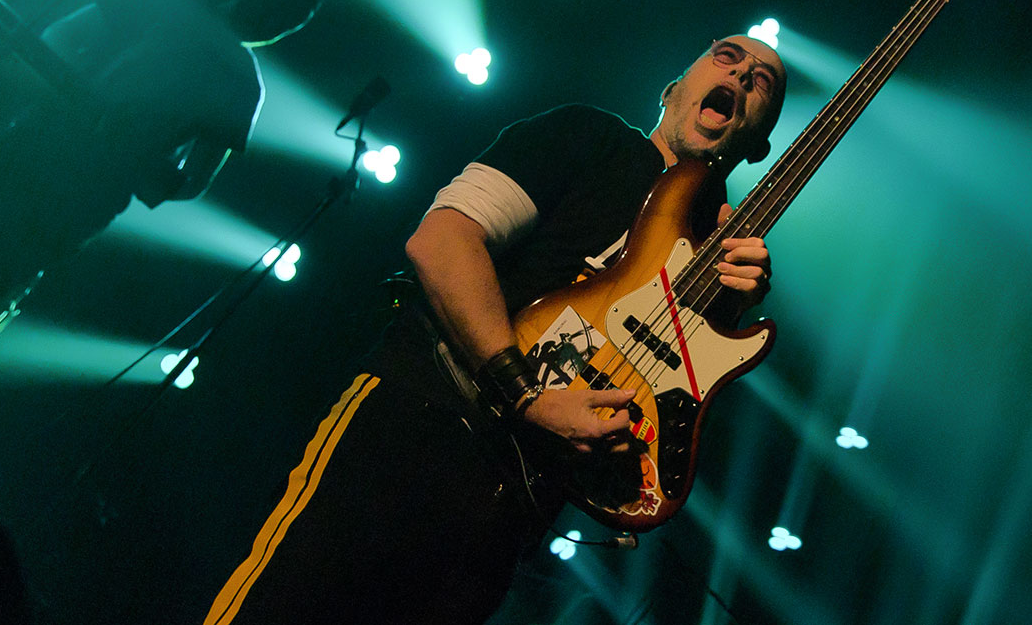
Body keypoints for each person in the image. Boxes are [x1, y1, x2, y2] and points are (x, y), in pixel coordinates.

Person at [203, 34, 786, 625]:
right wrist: (526, 396)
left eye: (762, 80)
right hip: (420, 420)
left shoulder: (719, 257)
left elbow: (652, 419)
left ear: (761, 143)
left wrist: (726, 311)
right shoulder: (588, 136)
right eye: (726, 57)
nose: (741, 75)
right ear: (671, 90)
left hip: (514, 504)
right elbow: (441, 240)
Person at [0, 0, 321, 360]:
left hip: (50, 148)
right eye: (284, 16)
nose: (277, 24)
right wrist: (141, 165)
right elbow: (193, 182)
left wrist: (66, 98)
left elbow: (64, 35)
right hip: (84, 184)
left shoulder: (172, 3)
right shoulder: (241, 83)